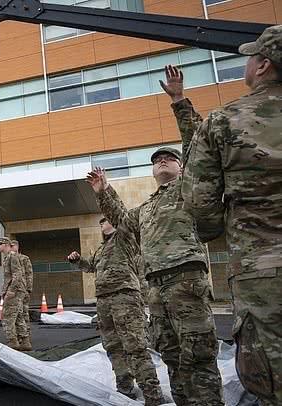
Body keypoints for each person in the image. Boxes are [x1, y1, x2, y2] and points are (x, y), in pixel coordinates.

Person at [87, 62, 224, 405]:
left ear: (180, 167)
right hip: (154, 287)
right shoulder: (146, 209)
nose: (162, 160)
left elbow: (196, 147)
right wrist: (104, 190)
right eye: (157, 159)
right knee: (172, 355)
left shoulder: (187, 189)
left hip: (185, 280)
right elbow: (121, 218)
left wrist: (179, 100)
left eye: (169, 158)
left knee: (200, 356)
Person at [177, 25, 282, 405]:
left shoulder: (224, 121)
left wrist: (216, 231)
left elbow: (201, 203)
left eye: (251, 56)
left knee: (271, 379)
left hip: (262, 271)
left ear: (263, 65)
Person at [67, 218, 162, 404]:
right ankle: (124, 388)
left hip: (124, 297)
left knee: (135, 346)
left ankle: (152, 394)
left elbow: (122, 219)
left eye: (105, 221)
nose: (101, 224)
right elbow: (91, 266)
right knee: (113, 346)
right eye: (100, 223)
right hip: (104, 301)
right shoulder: (102, 249)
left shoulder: (125, 239)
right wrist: (78, 261)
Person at [0, 237, 28, 351]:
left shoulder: (12, 256)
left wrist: (11, 291)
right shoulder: (7, 257)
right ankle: (24, 341)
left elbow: (17, 274)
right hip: (16, 289)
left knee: (7, 316)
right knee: (18, 316)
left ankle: (12, 341)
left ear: (5, 244)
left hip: (15, 290)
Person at [10, 239, 33, 351]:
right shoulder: (9, 258)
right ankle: (18, 336)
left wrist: (29, 288)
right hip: (15, 290)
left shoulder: (24, 258)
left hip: (23, 289)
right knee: (16, 313)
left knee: (24, 312)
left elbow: (29, 274)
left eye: (13, 245)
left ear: (17, 246)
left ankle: (26, 336)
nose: (12, 247)